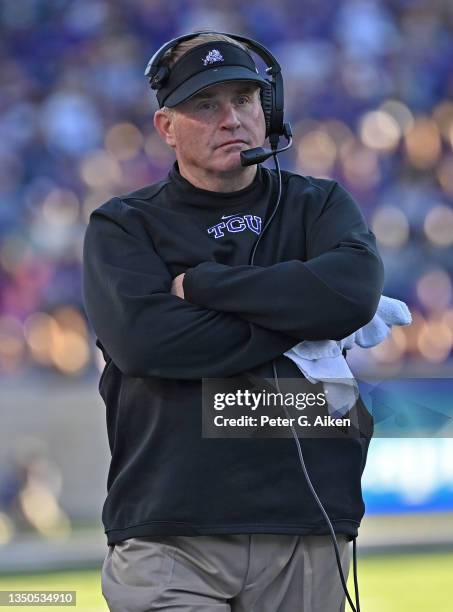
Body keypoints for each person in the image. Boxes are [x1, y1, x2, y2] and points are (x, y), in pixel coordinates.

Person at [82, 31, 384, 612]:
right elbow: (148, 343)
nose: (232, 119)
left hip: (308, 529)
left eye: (245, 100)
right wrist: (301, 318)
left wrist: (203, 286)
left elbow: (352, 295)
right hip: (171, 535)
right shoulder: (124, 226)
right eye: (206, 105)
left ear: (266, 109)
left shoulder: (318, 204)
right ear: (166, 127)